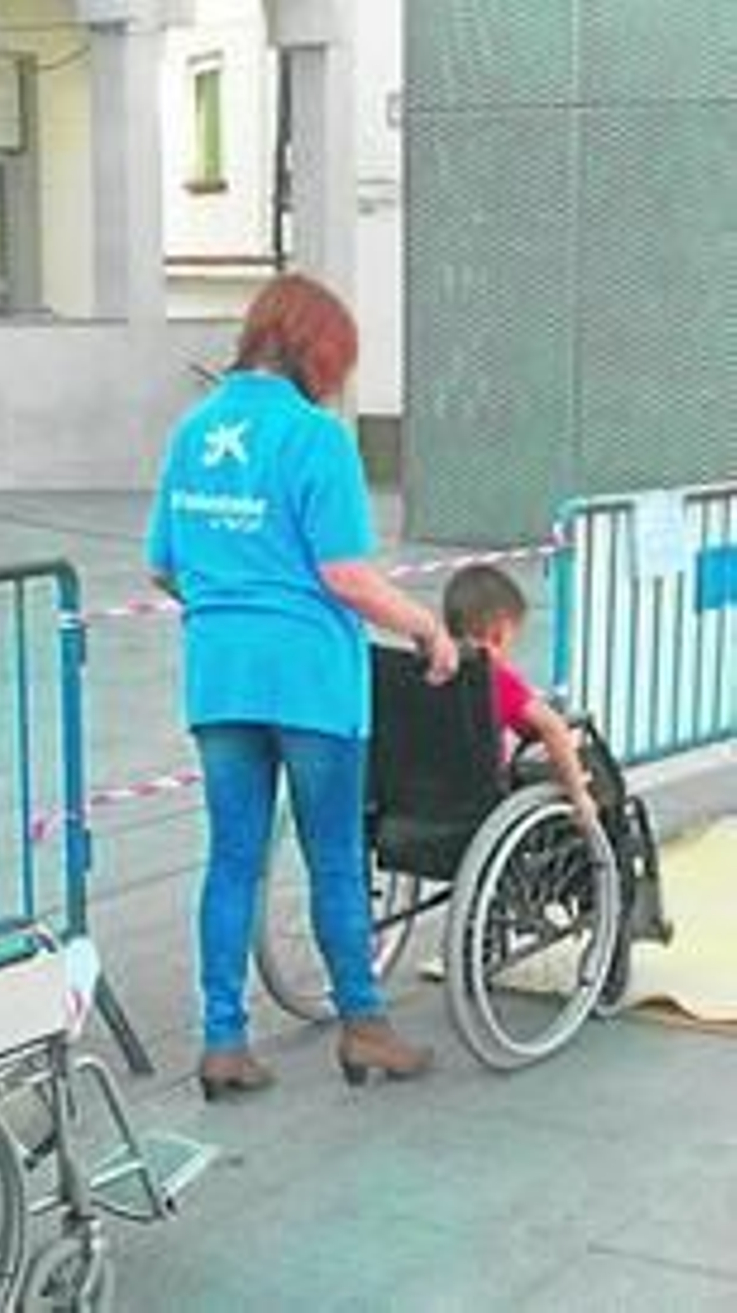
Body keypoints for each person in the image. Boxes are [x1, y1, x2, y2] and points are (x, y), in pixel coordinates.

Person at [145, 273, 458, 1101]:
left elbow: (163, 565)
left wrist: (227, 606)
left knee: (232, 860)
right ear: (319, 351)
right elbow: (346, 575)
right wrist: (426, 627)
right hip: (313, 680)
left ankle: (223, 1040)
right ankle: (364, 1024)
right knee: (333, 858)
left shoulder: (194, 429)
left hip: (220, 678)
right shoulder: (316, 439)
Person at [442, 564, 597, 825]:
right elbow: (552, 727)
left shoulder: (424, 669)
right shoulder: (497, 680)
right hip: (483, 802)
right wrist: (578, 793)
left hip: (423, 794)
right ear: (500, 634)